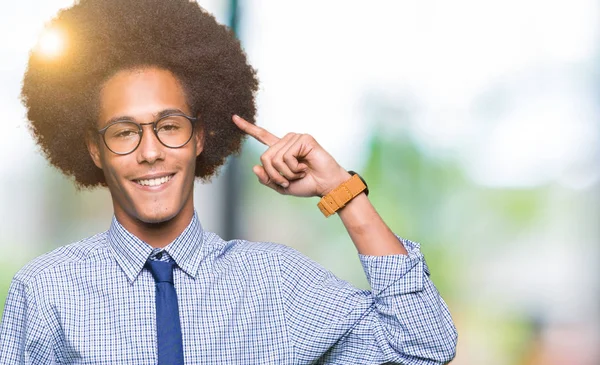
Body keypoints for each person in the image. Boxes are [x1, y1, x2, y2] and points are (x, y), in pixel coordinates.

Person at [0, 0, 457, 364]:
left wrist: (342, 191)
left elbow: (422, 344)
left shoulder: (275, 285)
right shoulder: (46, 292)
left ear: (200, 136)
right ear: (95, 150)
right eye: (124, 132)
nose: (151, 150)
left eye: (170, 126)